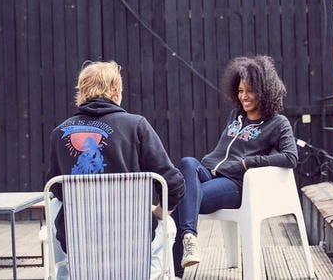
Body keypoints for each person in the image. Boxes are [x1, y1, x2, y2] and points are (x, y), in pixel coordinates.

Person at [46, 61, 185, 279]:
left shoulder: (59, 133)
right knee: (167, 226)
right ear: (116, 90)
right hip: (133, 239)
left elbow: (56, 189)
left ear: (81, 92)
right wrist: (158, 213)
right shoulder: (136, 125)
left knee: (55, 206)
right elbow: (174, 184)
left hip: (79, 241)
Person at [171, 55, 298, 278]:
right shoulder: (236, 116)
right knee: (188, 162)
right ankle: (189, 240)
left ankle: (177, 269)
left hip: (234, 184)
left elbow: (290, 157)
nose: (244, 96)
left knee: (182, 197)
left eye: (250, 91)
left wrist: (249, 162)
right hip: (209, 172)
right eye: (240, 91)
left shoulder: (278, 123)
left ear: (265, 90)